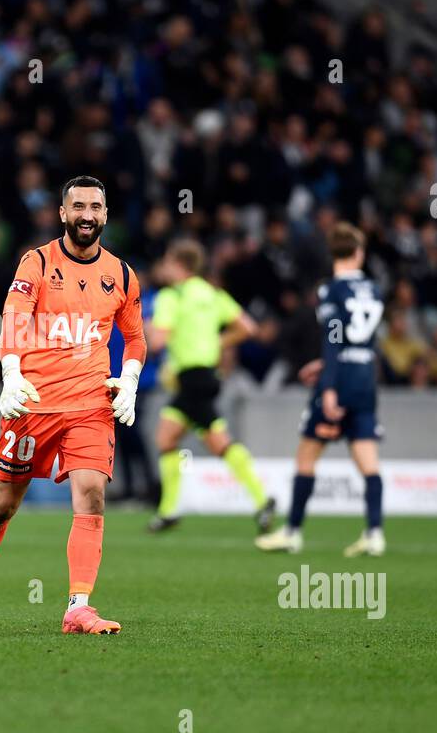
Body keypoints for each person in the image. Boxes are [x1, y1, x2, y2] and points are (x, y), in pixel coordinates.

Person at [0, 176, 146, 636]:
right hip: (34, 404)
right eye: (78, 206)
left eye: (95, 207)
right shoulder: (36, 263)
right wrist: (12, 374)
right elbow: (12, 319)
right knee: (2, 506)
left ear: (105, 214)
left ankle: (78, 607)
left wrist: (130, 380)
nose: (87, 215)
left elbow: (135, 338)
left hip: (91, 404)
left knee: (92, 494)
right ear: (62, 213)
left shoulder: (121, 275)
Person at [257, 223, 386, 557]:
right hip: (365, 378)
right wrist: (329, 365)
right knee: (368, 461)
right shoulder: (373, 289)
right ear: (359, 253)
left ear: (333, 254)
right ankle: (374, 533)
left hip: (339, 382)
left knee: (306, 456)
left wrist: (328, 385)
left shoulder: (331, 290)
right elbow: (361, 341)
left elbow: (332, 340)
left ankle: (292, 532)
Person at [146, 238, 275, 534]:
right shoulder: (211, 293)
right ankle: (168, 511)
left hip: (190, 379)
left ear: (179, 265)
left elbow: (157, 342)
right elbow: (248, 327)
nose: (164, 267)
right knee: (169, 438)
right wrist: (219, 342)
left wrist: (146, 326)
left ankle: (260, 498)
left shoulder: (172, 296)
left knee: (209, 441)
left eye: (168, 261)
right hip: (207, 377)